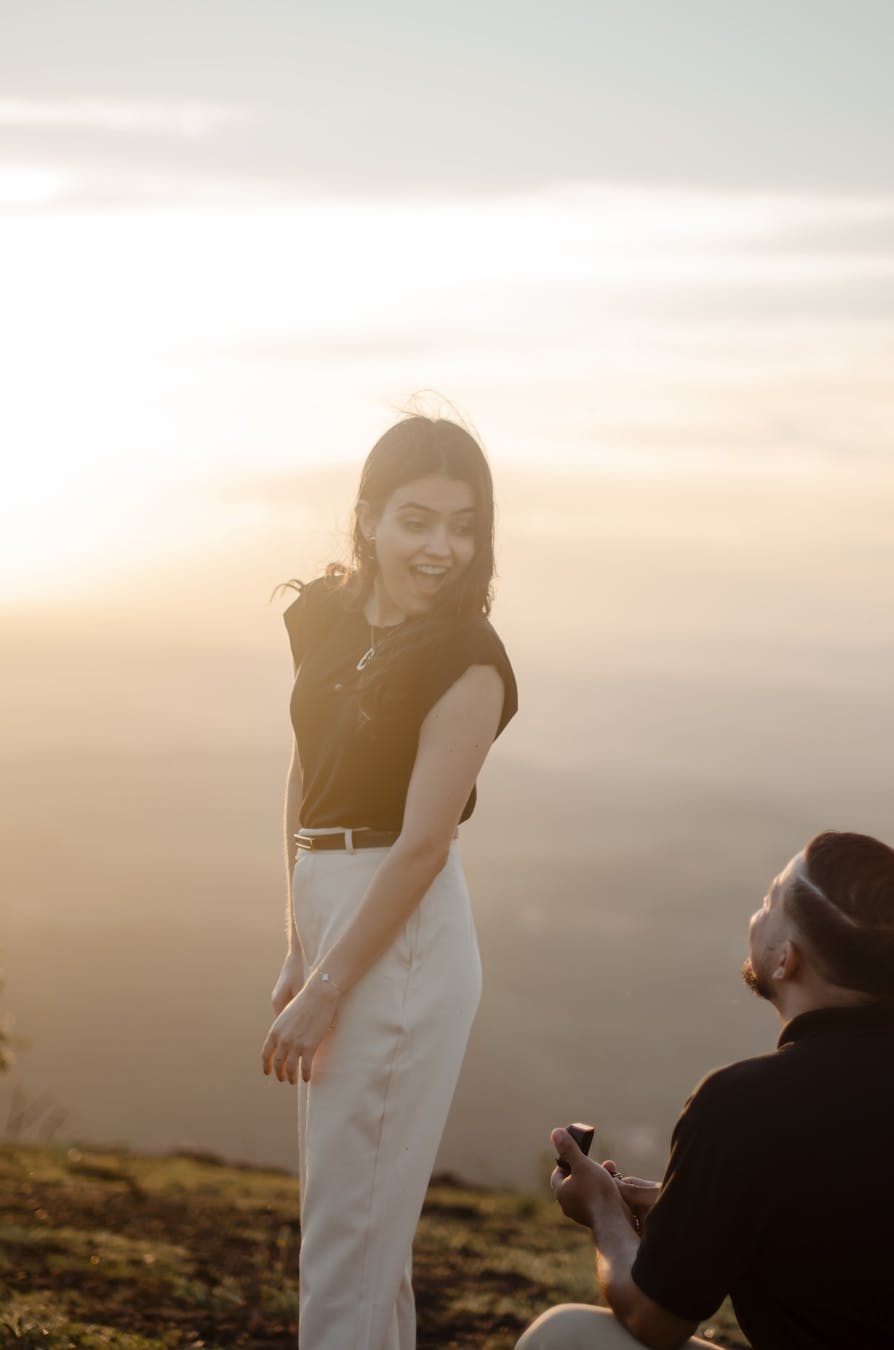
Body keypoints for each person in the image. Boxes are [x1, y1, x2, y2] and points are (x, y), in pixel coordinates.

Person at [260, 413, 517, 1350]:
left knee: (348, 1240)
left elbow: (422, 848)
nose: (442, 547)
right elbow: (306, 772)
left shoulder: (470, 660)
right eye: (417, 520)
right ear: (367, 518)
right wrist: (299, 944)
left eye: (464, 525)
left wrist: (329, 985)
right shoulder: (323, 617)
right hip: (333, 908)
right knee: (359, 1234)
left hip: (403, 935)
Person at [517, 830, 894, 1350]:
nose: (756, 915)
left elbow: (656, 1319)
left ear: (784, 959)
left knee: (564, 1337)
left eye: (769, 903)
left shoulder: (745, 1105)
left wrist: (602, 1207)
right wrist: (690, 1209)